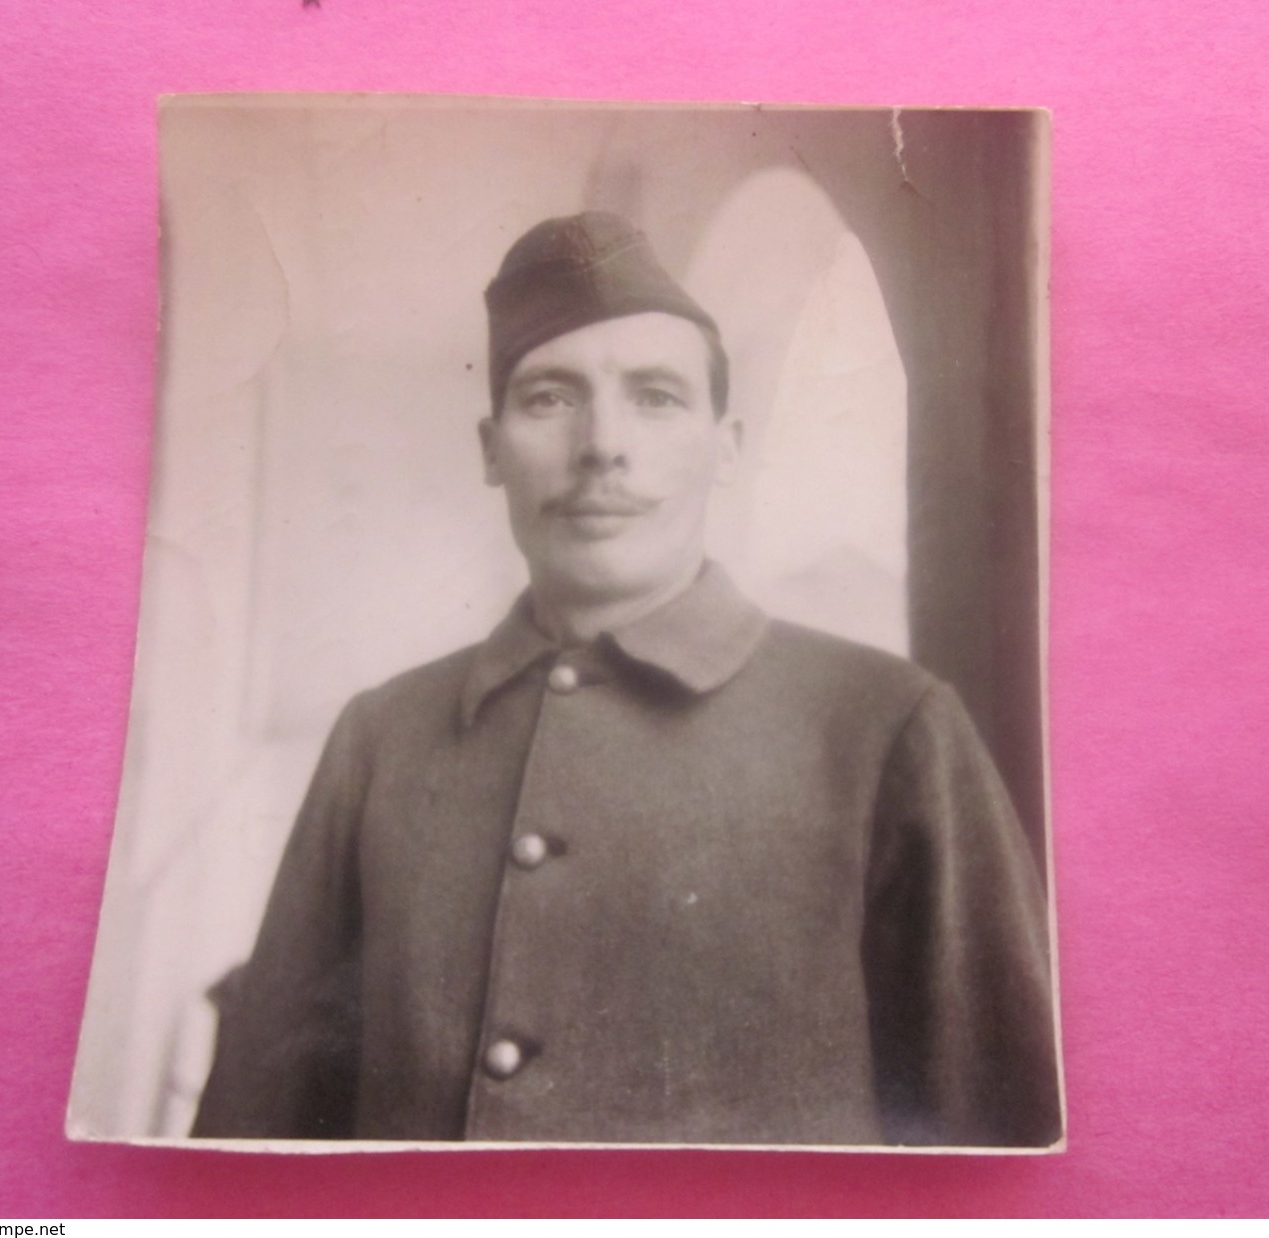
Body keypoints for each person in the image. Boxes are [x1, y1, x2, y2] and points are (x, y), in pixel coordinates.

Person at [191, 211, 1062, 1148]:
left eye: (654, 397)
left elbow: (994, 1155)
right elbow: (258, 1134)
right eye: (550, 399)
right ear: (491, 451)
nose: (603, 444)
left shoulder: (889, 728)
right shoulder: (382, 737)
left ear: (724, 447)